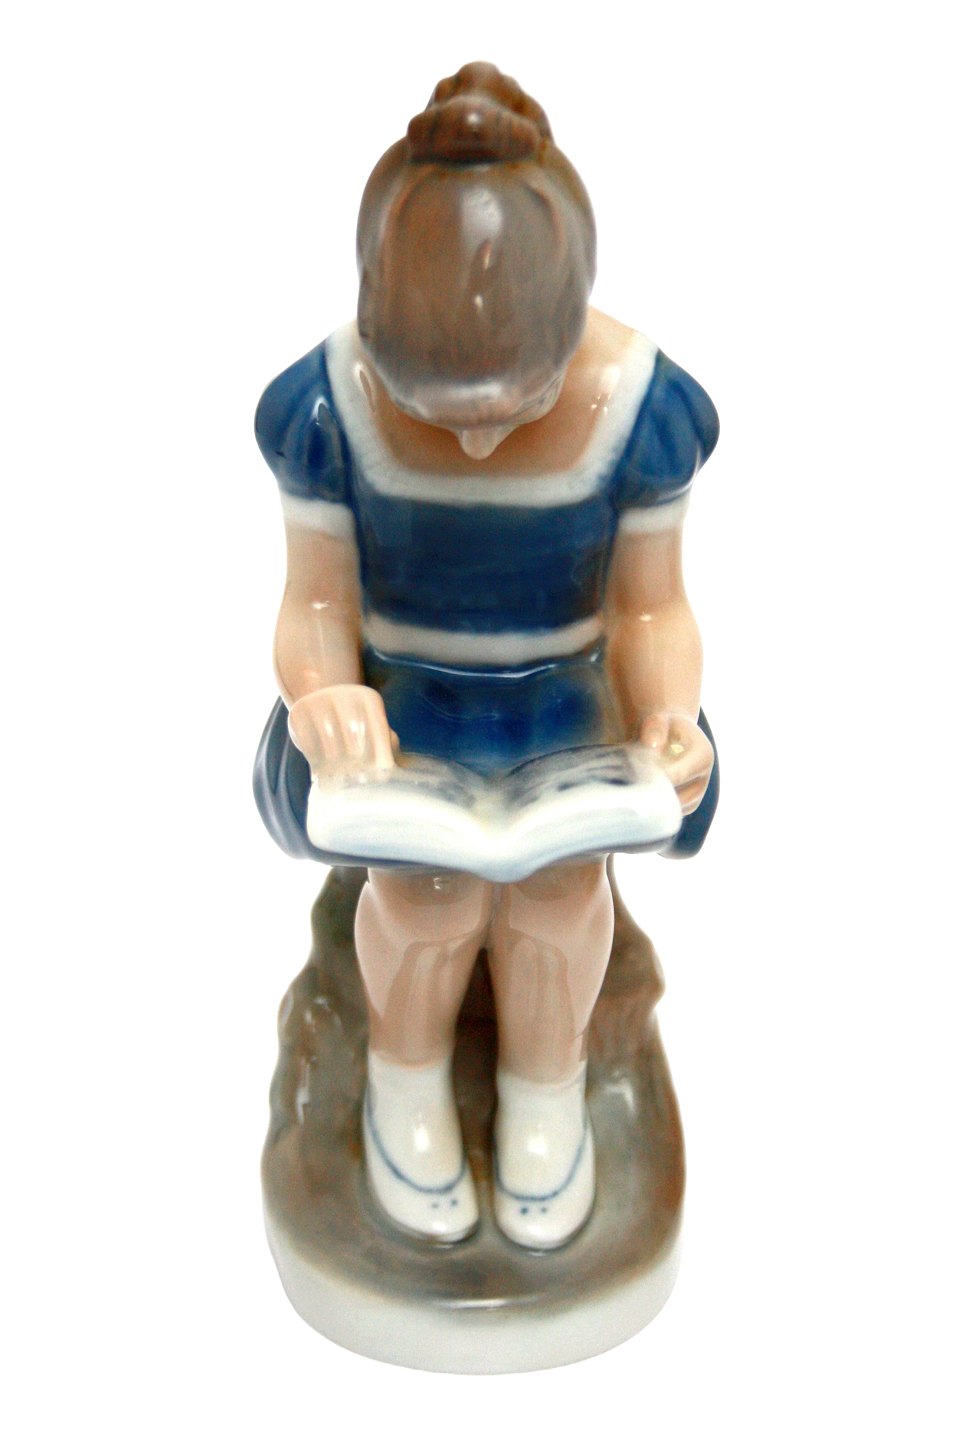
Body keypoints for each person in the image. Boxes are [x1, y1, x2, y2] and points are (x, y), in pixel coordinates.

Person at [254, 62, 719, 1249]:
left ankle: (544, 1091)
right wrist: (324, 691)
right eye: (442, 406)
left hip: (563, 709)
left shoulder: (640, 408)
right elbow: (313, 600)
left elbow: (653, 610)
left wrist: (669, 716)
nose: (474, 438)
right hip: (405, 715)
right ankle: (404, 1080)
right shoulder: (326, 408)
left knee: (558, 889)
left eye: (514, 402)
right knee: (428, 890)